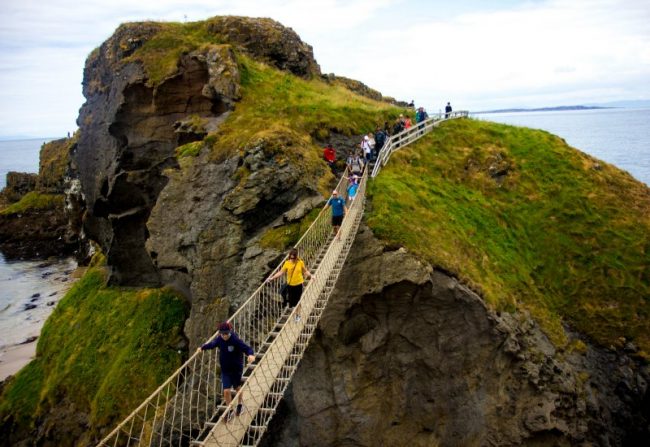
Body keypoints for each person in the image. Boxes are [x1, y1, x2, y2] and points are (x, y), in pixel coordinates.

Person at [198, 322, 255, 421]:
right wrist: (202, 347)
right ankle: (229, 410)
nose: (224, 336)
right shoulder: (219, 339)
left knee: (237, 388)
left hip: (236, 369)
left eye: (226, 333)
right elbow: (212, 344)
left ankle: (240, 405)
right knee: (226, 391)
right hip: (225, 370)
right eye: (222, 334)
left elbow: (247, 348)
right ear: (220, 333)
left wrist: (250, 355)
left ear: (230, 332)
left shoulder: (235, 340)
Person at [266, 248, 313, 321]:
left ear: (296, 256)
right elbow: (281, 272)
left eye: (294, 258)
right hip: (290, 285)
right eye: (291, 257)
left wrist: (311, 276)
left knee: (297, 301)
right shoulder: (287, 263)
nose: (292, 259)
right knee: (291, 301)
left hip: (298, 284)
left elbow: (305, 271)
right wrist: (272, 278)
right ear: (289, 256)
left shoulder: (300, 262)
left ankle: (298, 315)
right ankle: (293, 308)